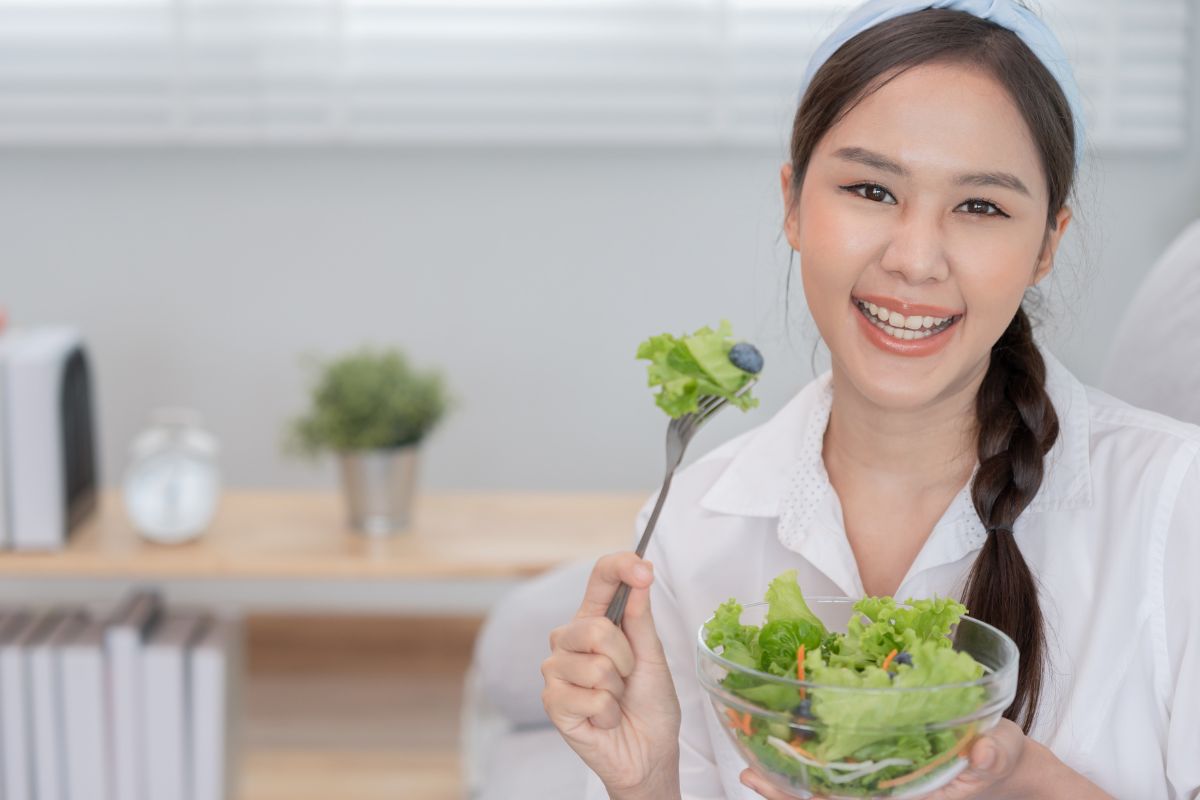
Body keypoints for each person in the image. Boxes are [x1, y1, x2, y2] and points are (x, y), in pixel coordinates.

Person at [540, 1, 1200, 798]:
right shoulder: (690, 528)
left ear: (1047, 245)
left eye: (981, 206)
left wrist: (1039, 786)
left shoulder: (1177, 508)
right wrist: (644, 781)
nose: (915, 259)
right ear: (792, 202)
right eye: (871, 189)